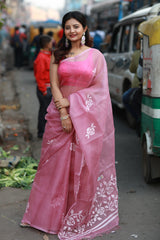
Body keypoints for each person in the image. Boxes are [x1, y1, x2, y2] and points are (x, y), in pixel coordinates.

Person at [21, 11, 119, 239]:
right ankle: (46, 216)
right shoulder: (58, 54)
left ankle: (76, 214)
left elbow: (100, 91)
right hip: (59, 117)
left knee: (81, 167)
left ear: (85, 29)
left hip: (86, 119)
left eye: (76, 26)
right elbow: (54, 84)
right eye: (68, 27)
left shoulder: (96, 56)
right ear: (63, 30)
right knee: (53, 167)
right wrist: (64, 112)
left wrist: (76, 107)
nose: (72, 31)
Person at [34, 35, 53, 138]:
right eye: (51, 42)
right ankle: (41, 132)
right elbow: (39, 76)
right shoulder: (42, 57)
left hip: (48, 88)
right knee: (44, 112)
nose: (52, 44)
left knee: (47, 111)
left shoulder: (48, 55)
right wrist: (44, 91)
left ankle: (45, 132)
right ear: (47, 44)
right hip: (45, 89)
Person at [122, 34, 142, 134]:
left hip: (138, 86)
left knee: (125, 98)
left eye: (137, 42)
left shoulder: (137, 53)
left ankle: (138, 118)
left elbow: (132, 69)